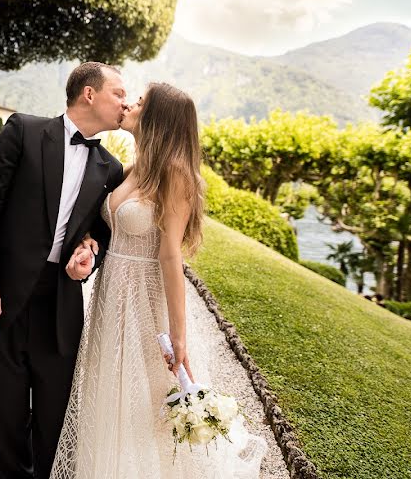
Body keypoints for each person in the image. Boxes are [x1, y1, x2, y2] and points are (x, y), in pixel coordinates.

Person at [49, 83, 267, 478]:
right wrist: (87, 243)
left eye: (141, 102)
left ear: (160, 118)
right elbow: (108, 224)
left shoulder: (176, 175)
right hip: (110, 299)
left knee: (145, 400)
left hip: (145, 305)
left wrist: (178, 335)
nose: (130, 103)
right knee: (110, 393)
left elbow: (170, 255)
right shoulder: (133, 168)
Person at [0, 62, 127, 479]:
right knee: (7, 413)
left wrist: (90, 255)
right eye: (118, 93)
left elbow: (100, 232)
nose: (125, 102)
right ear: (89, 94)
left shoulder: (111, 170)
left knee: (54, 415)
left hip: (60, 301)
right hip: (1, 295)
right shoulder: (24, 131)